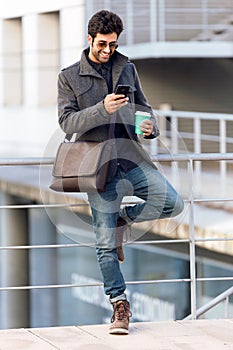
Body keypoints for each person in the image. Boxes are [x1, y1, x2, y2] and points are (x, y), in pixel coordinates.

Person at [57, 10, 184, 335]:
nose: (107, 50)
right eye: (102, 44)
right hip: (96, 167)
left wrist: (150, 126)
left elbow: (144, 107)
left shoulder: (127, 67)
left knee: (172, 203)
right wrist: (103, 110)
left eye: (113, 44)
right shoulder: (69, 76)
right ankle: (119, 305)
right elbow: (67, 123)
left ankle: (122, 220)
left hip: (132, 158)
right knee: (103, 243)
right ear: (90, 39)